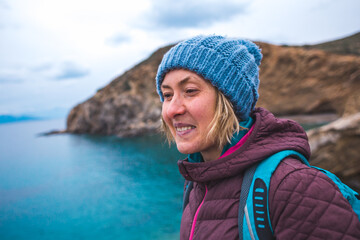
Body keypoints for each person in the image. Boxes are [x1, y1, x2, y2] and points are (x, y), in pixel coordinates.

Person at [155, 35, 360, 240]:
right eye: (167, 95)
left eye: (190, 91)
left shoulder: (296, 187)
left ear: (231, 100)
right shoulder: (197, 180)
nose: (172, 109)